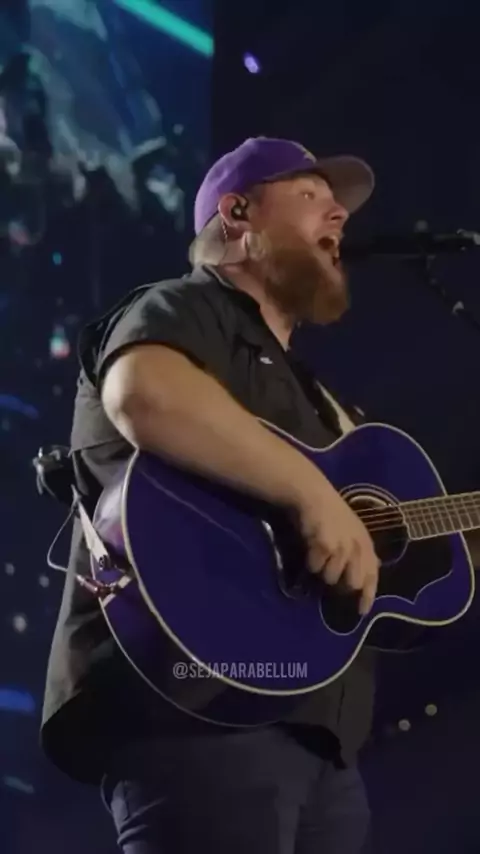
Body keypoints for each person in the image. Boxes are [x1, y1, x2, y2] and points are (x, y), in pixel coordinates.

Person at [41, 136, 382, 854]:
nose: (339, 216)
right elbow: (145, 393)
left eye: (338, 206)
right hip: (195, 709)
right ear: (238, 214)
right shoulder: (182, 307)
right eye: (311, 196)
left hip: (318, 736)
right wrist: (314, 496)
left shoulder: (319, 401)